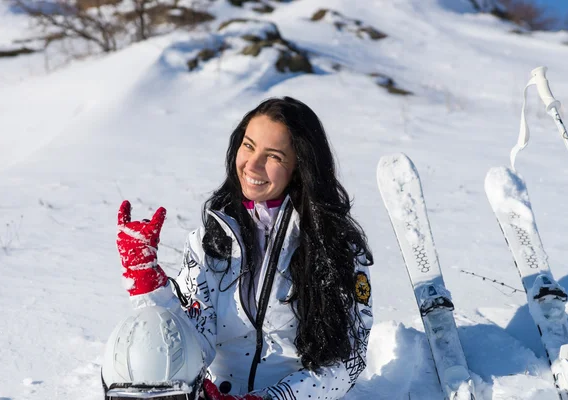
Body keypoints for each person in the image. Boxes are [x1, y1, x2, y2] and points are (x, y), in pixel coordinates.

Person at [104, 97, 374, 400]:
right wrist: (148, 286)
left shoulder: (335, 247)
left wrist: (269, 398)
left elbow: (349, 360)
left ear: (299, 167)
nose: (252, 164)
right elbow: (190, 337)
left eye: (273, 156)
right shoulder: (212, 239)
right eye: (248, 145)